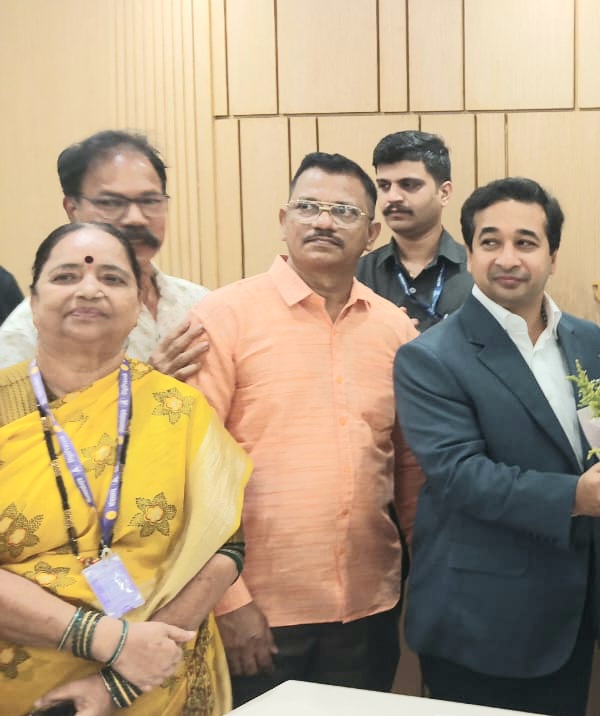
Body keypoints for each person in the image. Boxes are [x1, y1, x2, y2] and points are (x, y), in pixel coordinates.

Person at [393, 177, 600, 716]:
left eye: (526, 242)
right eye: (490, 242)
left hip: (572, 611)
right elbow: (461, 474)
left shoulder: (585, 340)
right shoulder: (430, 357)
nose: (507, 258)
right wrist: (574, 499)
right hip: (480, 621)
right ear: (470, 254)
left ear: (552, 256)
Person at [187, 153, 421, 704]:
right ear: (283, 219)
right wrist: (227, 600)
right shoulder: (223, 317)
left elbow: (411, 473)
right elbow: (188, 470)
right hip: (258, 612)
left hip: (368, 607)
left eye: (344, 211)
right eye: (308, 207)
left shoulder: (395, 329)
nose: (323, 221)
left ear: (372, 234)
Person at [0, 222, 249, 715]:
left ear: (138, 306)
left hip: (160, 682)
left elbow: (226, 546)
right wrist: (108, 640)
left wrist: (124, 679)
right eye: (66, 276)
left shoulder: (179, 409)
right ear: (33, 299)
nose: (89, 289)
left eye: (112, 278)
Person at [0, 131, 210, 379]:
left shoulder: (199, 303)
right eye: (111, 203)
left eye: (150, 201)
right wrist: (144, 388)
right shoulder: (33, 328)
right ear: (73, 209)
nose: (135, 218)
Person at [357, 130, 472, 331]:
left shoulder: (477, 274)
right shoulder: (357, 276)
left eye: (408, 185)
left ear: (444, 193)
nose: (393, 197)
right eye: (384, 186)